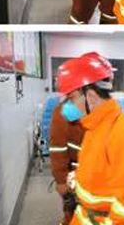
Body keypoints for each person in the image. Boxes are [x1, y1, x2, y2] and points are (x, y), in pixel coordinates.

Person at [55, 52, 124, 224]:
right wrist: (77, 178)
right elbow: (100, 171)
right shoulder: (93, 127)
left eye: (71, 99)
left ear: (91, 97)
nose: (67, 106)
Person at [49, 91, 85, 225]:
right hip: (74, 177)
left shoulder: (98, 111)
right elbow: (58, 150)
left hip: (97, 176)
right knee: (73, 213)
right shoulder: (63, 113)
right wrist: (61, 181)